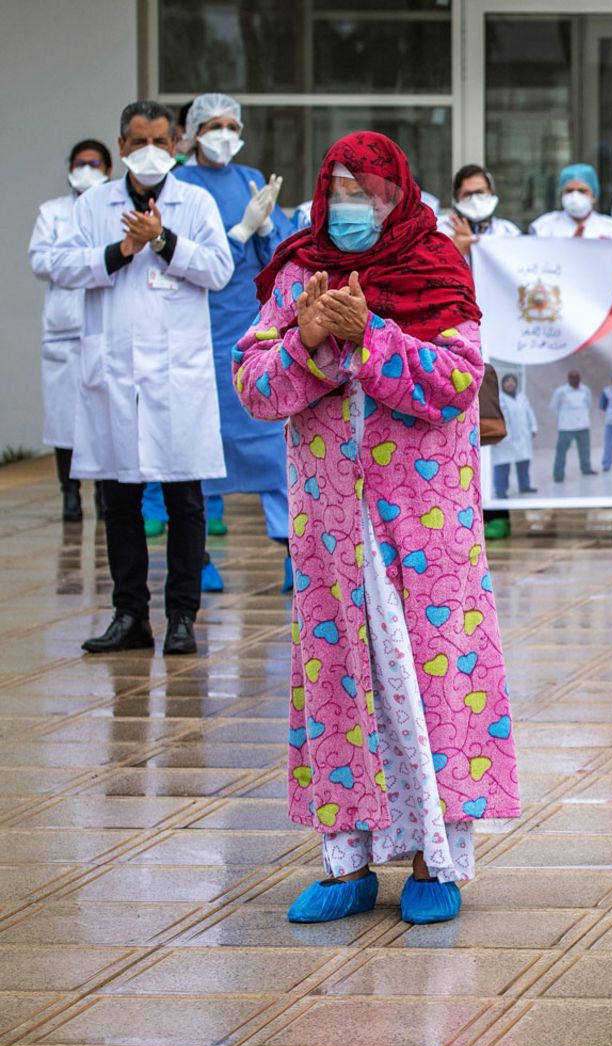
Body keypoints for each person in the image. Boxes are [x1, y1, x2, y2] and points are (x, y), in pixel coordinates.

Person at [236, 130, 519, 926]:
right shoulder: (298, 271)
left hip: (424, 535)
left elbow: (458, 380)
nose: (355, 208)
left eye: (371, 192)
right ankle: (347, 858)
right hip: (331, 532)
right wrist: (312, 338)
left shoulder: (434, 265)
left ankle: (438, 858)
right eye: (342, 191)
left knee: (433, 682)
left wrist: (372, 338)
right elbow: (256, 384)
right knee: (339, 683)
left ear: (400, 193)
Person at [48, 100, 233, 657]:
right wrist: (122, 249)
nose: (149, 151)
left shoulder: (194, 201)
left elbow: (219, 269)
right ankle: (130, 614)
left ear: (175, 145)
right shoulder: (94, 205)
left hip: (178, 377)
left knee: (185, 500)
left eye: (160, 141)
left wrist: (162, 240)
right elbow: (62, 266)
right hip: (115, 374)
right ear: (122, 146)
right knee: (119, 499)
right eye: (138, 141)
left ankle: (181, 617)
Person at [172, 92, 297, 582]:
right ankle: (198, 556)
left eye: (231, 125)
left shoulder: (249, 179)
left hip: (253, 328)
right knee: (201, 441)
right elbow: (185, 259)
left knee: (271, 437)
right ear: (193, 132)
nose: (224, 134)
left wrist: (266, 227)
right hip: (199, 329)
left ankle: (293, 553)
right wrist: (239, 233)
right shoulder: (179, 186)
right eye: (213, 125)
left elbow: (283, 257)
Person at [31, 139, 110, 523]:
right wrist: (84, 258)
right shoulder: (53, 212)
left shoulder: (114, 209)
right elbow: (41, 260)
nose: (86, 169)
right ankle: (69, 493)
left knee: (102, 416)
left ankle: (102, 495)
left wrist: (80, 261)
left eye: (94, 163)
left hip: (105, 325)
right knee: (64, 421)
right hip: (64, 329)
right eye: (80, 163)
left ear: (109, 168)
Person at [438, 165, 520, 261]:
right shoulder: (439, 230)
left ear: (490, 192)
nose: (474, 200)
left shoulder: (509, 232)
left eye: (480, 192)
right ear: (456, 197)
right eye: (467, 194)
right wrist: (452, 251)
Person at [527, 163, 612, 239]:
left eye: (582, 191)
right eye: (569, 191)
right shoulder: (543, 228)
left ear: (594, 196)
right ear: (562, 194)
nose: (575, 196)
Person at [494, 373, 538, 500]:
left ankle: (525, 485)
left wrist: (534, 428)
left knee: (524, 462)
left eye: (513, 381)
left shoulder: (522, 397)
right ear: (503, 384)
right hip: (504, 439)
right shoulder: (498, 398)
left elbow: (530, 414)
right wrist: (495, 435)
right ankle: (500, 490)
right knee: (502, 464)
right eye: (507, 381)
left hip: (522, 437)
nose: (510, 383)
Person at [551, 370, 597, 482]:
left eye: (577, 377)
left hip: (583, 425)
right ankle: (558, 474)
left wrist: (580, 415)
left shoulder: (585, 390)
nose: (575, 380)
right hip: (566, 427)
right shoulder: (560, 391)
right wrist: (564, 417)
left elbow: (589, 404)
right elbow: (553, 407)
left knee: (585, 449)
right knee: (561, 450)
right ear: (568, 379)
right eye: (572, 378)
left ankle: (586, 468)